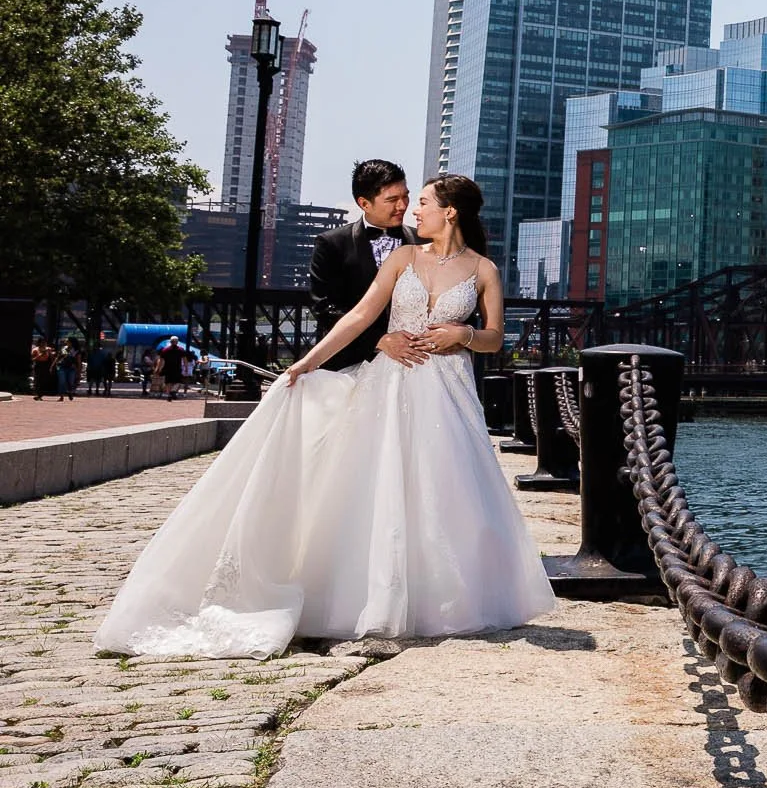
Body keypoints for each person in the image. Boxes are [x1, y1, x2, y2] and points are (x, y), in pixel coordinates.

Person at [95, 174, 555, 657]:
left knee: (446, 489)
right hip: (391, 382)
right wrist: (304, 363)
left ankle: (447, 600)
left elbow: (495, 337)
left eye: (421, 202)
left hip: (448, 392)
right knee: (375, 486)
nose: (414, 210)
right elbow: (357, 316)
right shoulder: (403, 258)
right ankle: (370, 596)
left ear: (450, 212)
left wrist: (461, 336)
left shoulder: (483, 270)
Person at [309, 160, 427, 373]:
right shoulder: (332, 243)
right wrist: (379, 340)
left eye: (405, 196)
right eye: (392, 199)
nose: (402, 206)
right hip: (350, 363)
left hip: (416, 364)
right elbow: (324, 308)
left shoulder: (424, 242)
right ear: (364, 203)